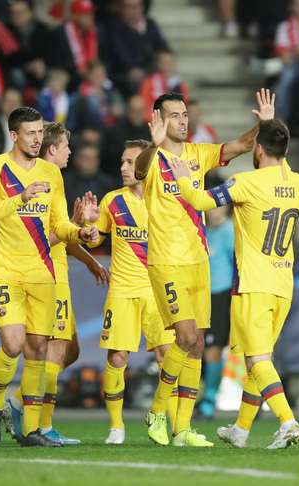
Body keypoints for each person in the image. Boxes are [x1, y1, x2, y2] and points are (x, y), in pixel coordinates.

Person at [134, 88, 276, 447]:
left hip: (199, 262)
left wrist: (267, 124)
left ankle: (182, 429)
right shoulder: (152, 158)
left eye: (184, 114)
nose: (183, 120)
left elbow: (241, 146)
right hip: (166, 261)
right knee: (184, 337)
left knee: (196, 345)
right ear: (158, 120)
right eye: (175, 115)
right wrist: (151, 145)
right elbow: (138, 171)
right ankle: (156, 411)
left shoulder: (198, 154)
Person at [167, 118, 299, 449]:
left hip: (254, 285)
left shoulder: (246, 183)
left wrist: (185, 180)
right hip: (283, 284)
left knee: (258, 360)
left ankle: (288, 422)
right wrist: (271, 128)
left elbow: (202, 202)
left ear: (258, 149)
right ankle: (241, 429)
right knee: (257, 359)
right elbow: (281, 170)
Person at [0, 106, 97, 449]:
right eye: (30, 133)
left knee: (38, 349)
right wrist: (19, 198)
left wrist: (82, 231)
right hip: (5, 271)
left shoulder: (51, 174)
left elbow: (57, 224)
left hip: (42, 273)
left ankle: (30, 430)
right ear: (14, 136)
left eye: (40, 133)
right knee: (13, 344)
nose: (37, 139)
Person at [0, 122, 108, 446]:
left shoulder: (53, 181)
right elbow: (39, 242)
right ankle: (41, 426)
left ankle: (18, 403)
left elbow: (61, 233)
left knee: (70, 350)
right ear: (51, 150)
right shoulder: (40, 183)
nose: (70, 152)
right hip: (47, 276)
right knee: (54, 354)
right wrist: (74, 225)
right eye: (65, 147)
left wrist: (88, 258)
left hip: (59, 273)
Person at [85, 139, 175, 444]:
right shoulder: (112, 200)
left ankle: (166, 420)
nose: (123, 168)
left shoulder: (163, 199)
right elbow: (97, 239)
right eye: (122, 162)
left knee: (167, 356)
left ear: (145, 166)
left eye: (130, 162)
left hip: (157, 291)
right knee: (118, 357)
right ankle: (116, 426)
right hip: (122, 289)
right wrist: (88, 228)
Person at [196, 196, 234, 420]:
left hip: (222, 295)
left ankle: (209, 400)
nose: (213, 211)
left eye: (218, 207)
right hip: (201, 296)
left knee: (214, 349)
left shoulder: (229, 231)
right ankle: (203, 396)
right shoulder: (202, 231)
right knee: (199, 348)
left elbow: (237, 264)